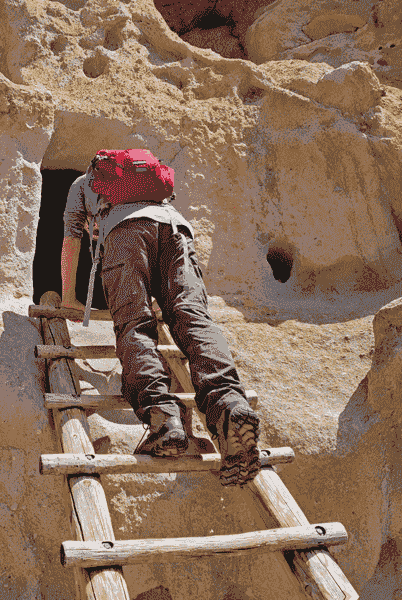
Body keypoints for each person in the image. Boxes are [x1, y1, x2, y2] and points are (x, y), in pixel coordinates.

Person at [60, 156, 261, 486]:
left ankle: (163, 419)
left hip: (126, 235)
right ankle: (230, 406)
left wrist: (69, 298)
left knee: (134, 325)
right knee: (194, 319)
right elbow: (158, 233)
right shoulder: (149, 184)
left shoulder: (82, 186)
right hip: (177, 232)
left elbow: (72, 237)